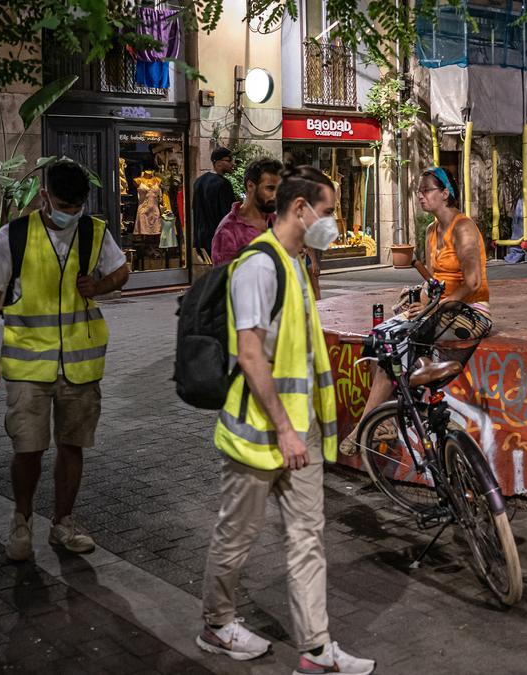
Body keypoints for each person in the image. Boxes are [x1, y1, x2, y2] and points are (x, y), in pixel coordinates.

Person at [197, 165, 374, 675]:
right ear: (300, 210)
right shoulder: (259, 266)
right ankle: (216, 621)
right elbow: (250, 355)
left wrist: (309, 429)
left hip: (300, 436)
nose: (333, 222)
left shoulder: (297, 263)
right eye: (328, 212)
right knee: (236, 537)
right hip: (260, 437)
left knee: (307, 539)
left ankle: (316, 651)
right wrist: (283, 427)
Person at [0, 160, 130, 560]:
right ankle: (22, 521)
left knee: (72, 444)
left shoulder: (94, 232)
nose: (71, 212)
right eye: (63, 204)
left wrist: (99, 285)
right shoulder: (14, 236)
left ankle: (63, 522)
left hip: (80, 363)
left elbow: (121, 271)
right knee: (28, 448)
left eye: (77, 205)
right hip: (28, 365)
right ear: (45, 196)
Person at [341, 167, 489, 453]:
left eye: (426, 190)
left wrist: (431, 306)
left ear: (445, 193)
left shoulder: (464, 227)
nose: (420, 196)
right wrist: (416, 296)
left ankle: (366, 425)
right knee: (378, 338)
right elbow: (435, 282)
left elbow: (472, 283)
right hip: (440, 309)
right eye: (418, 191)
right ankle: (384, 419)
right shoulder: (432, 231)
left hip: (470, 312)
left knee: (399, 343)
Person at [210, 158, 281, 265]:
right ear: (250, 186)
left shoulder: (277, 222)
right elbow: (224, 279)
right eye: (270, 188)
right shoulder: (228, 231)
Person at [192, 147, 236, 258]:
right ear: (218, 162)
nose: (233, 163)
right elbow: (228, 216)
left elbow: (195, 209)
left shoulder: (199, 181)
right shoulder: (224, 184)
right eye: (229, 160)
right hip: (218, 240)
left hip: (200, 238)